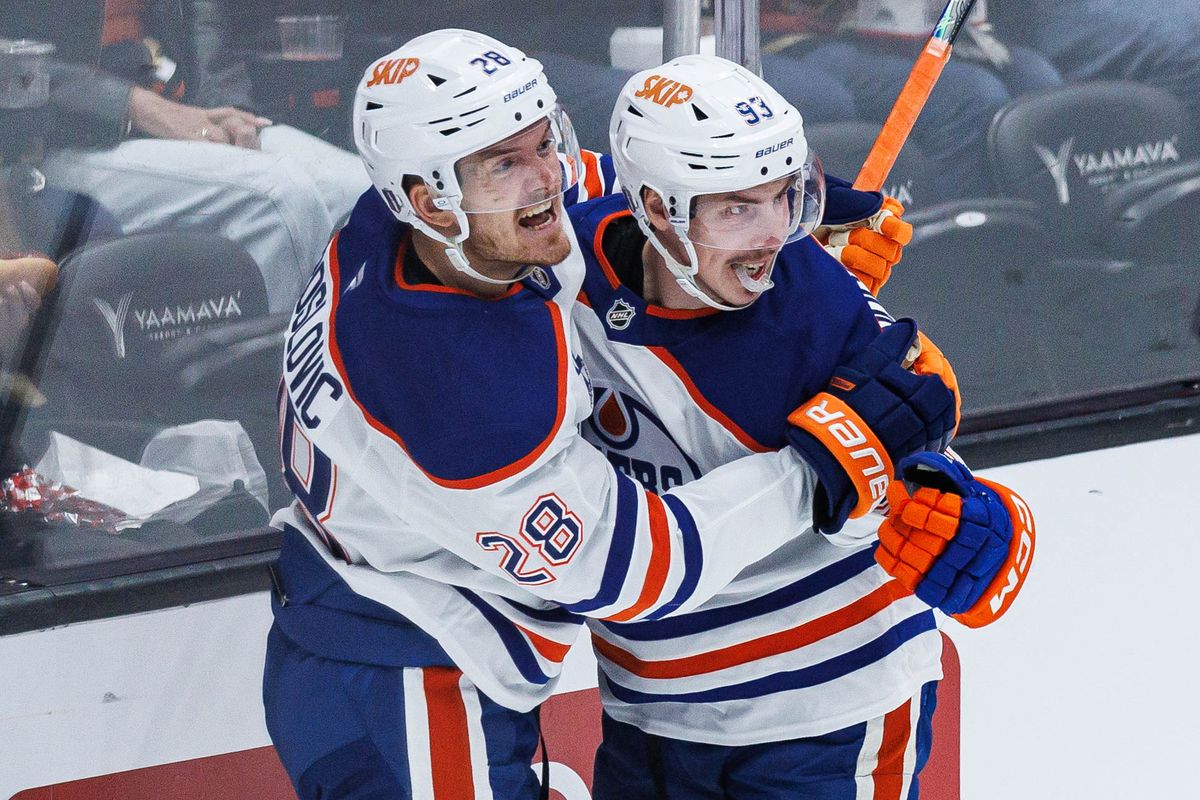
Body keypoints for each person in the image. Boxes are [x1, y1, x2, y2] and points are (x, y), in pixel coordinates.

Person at [261, 30, 958, 799]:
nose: (547, 177)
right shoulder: (459, 391)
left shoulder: (404, 222)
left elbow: (602, 189)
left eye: (543, 140)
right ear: (430, 199)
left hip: (353, 628)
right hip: (405, 674)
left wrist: (753, 223)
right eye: (506, 163)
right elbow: (637, 568)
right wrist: (819, 465)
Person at [564, 54, 1036, 798]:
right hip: (649, 715)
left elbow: (914, 455)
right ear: (654, 207)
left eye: (787, 197)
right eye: (736, 207)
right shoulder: (566, 267)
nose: (773, 235)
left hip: (826, 716)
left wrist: (955, 516)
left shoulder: (818, 312)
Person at [8, 0, 370, 312]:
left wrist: (227, 109)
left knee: (360, 190)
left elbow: (204, 35)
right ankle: (274, 384)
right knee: (278, 199)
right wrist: (134, 105)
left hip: (178, 108)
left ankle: (364, 377)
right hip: (52, 137)